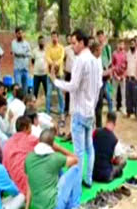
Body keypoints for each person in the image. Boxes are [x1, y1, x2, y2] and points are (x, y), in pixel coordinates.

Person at [50, 29, 102, 197]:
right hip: (90, 111)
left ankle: (77, 186)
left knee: (79, 150)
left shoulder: (81, 60)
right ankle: (88, 178)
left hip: (80, 111)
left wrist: (56, 81)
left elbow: (72, 86)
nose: (72, 47)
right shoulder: (95, 60)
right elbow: (98, 85)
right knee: (89, 147)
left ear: (81, 42)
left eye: (73, 43)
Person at [25, 129, 79, 209]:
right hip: (54, 206)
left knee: (58, 169)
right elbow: (75, 159)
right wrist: (59, 148)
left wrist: (27, 206)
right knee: (75, 170)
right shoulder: (55, 158)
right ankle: (74, 206)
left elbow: (29, 182)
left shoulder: (29, 158)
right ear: (52, 143)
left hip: (37, 206)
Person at [2, 116, 39, 196]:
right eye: (30, 127)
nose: (31, 130)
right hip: (31, 186)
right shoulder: (31, 139)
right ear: (26, 128)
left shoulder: (8, 143)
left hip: (14, 185)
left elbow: (5, 168)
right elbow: (47, 146)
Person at [93, 112, 126, 182]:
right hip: (106, 176)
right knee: (123, 162)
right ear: (115, 123)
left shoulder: (95, 132)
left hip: (94, 173)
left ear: (106, 120)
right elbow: (117, 160)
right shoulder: (115, 140)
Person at [45, 31, 65, 127]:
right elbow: (47, 57)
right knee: (48, 94)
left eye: (55, 37)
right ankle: (48, 114)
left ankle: (61, 112)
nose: (54, 38)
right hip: (50, 74)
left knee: (60, 94)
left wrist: (55, 64)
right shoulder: (48, 47)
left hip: (59, 74)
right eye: (52, 37)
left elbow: (62, 58)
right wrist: (52, 64)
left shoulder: (61, 48)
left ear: (58, 38)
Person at [97, 30, 113, 112]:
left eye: (101, 36)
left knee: (106, 91)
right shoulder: (97, 47)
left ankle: (110, 109)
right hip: (98, 72)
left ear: (104, 37)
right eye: (99, 36)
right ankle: (107, 107)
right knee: (103, 91)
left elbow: (110, 60)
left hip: (106, 71)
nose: (100, 38)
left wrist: (109, 72)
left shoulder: (108, 47)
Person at [11, 27, 31, 93]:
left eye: (22, 33)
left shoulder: (27, 43)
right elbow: (16, 51)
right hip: (18, 69)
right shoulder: (13, 42)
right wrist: (24, 53)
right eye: (19, 33)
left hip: (25, 69)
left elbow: (30, 54)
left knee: (25, 88)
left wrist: (21, 54)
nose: (21, 34)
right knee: (18, 88)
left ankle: (24, 102)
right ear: (16, 34)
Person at [126, 38, 137, 118]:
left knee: (135, 97)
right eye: (130, 44)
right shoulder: (127, 53)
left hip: (135, 79)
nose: (132, 45)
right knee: (128, 96)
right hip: (128, 78)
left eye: (133, 44)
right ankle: (129, 112)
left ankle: (136, 113)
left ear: (136, 45)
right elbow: (126, 64)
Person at [91, 42, 105, 128]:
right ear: (96, 50)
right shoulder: (91, 60)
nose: (101, 52)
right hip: (93, 88)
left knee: (99, 108)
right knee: (92, 108)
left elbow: (100, 73)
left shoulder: (99, 59)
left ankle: (99, 127)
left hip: (99, 86)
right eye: (100, 50)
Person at [112, 39, 127, 113]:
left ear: (124, 46)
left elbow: (127, 66)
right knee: (114, 92)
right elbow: (112, 65)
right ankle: (114, 106)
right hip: (115, 76)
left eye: (122, 44)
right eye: (119, 44)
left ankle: (123, 107)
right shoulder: (114, 53)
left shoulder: (125, 54)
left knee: (123, 92)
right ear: (117, 45)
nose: (121, 46)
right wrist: (115, 75)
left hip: (122, 76)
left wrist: (123, 76)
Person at [32, 35, 48, 99]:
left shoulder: (47, 50)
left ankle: (48, 106)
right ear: (38, 42)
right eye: (40, 41)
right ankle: (33, 105)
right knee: (35, 91)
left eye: (42, 41)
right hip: (36, 74)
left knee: (47, 91)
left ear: (44, 42)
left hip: (45, 74)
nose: (41, 42)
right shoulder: (34, 51)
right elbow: (32, 61)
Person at [64, 33, 76, 115]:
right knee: (68, 92)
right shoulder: (66, 49)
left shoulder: (78, 49)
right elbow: (63, 59)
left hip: (76, 74)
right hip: (68, 73)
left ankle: (74, 109)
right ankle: (66, 109)